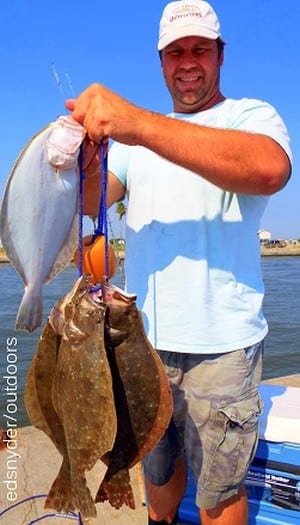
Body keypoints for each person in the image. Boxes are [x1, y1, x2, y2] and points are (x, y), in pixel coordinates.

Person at [66, 1, 292, 523]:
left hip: (222, 351)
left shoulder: (250, 117)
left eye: (199, 50)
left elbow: (268, 170)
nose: (187, 62)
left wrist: (135, 122)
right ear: (160, 61)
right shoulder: (131, 144)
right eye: (175, 52)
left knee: (218, 494)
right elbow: (91, 200)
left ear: (220, 55)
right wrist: (82, 159)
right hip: (141, 342)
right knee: (158, 472)